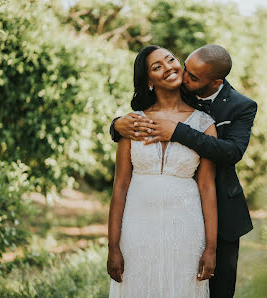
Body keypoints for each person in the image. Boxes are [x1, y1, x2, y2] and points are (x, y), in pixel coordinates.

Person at [110, 44, 258, 298]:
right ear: (148, 80)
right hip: (138, 225)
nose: (172, 69)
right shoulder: (133, 122)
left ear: (214, 82)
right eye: (158, 66)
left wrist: (210, 249)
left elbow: (223, 164)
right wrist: (113, 245)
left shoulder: (221, 113)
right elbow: (120, 185)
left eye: (170, 60)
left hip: (195, 223)